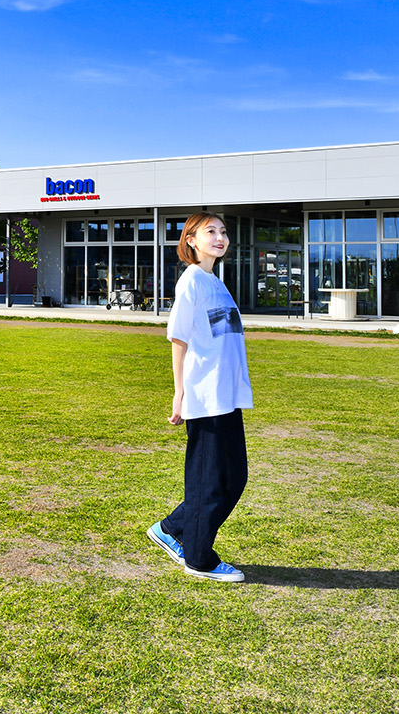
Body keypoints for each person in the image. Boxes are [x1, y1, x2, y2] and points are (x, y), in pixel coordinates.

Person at [147, 212, 253, 582]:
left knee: (234, 477)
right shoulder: (191, 281)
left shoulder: (217, 283)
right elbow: (178, 338)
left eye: (223, 231)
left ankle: (172, 528)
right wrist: (179, 393)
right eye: (211, 232)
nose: (220, 237)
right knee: (208, 481)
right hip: (203, 395)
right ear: (191, 240)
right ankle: (199, 558)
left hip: (226, 396)